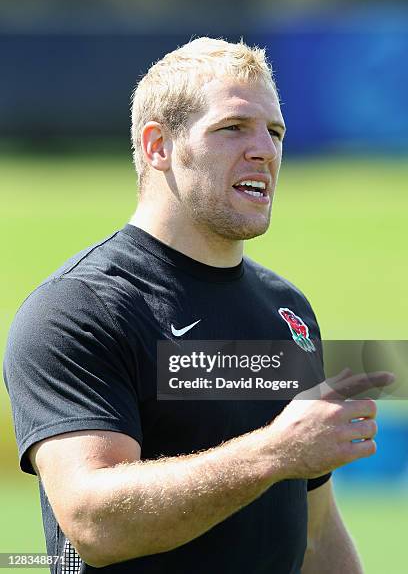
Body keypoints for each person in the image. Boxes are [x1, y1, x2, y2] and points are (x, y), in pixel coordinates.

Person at [3, 37, 393, 574]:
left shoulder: (288, 311)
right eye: (233, 127)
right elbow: (94, 523)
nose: (265, 150)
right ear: (159, 146)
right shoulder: (78, 308)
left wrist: (289, 455)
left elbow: (316, 532)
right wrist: (274, 453)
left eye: (274, 132)